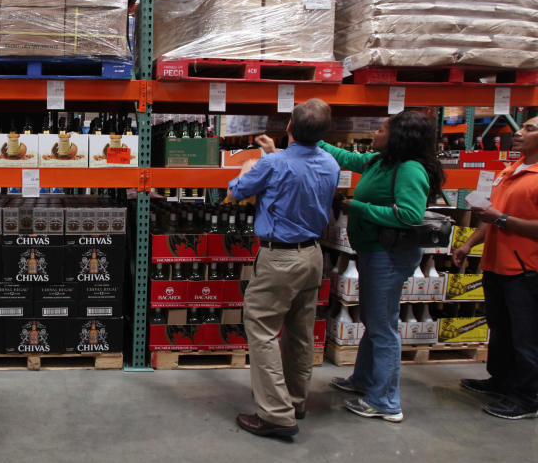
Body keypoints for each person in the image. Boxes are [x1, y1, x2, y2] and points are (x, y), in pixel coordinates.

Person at [319, 110, 444, 423]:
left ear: (399, 136)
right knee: (374, 320)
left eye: (383, 129)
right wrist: (311, 139)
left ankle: (386, 401)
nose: (376, 132)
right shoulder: (380, 161)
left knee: (383, 326)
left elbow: (409, 215)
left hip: (389, 256)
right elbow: (347, 158)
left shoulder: (410, 169)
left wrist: (356, 206)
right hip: (374, 252)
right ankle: (362, 380)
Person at [228, 98, 340, 438]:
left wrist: (248, 168)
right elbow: (298, 177)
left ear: (289, 126)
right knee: (300, 332)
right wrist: (273, 153)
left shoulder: (273, 164)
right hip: (312, 256)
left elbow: (236, 191)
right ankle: (295, 399)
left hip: (280, 259)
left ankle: (276, 415)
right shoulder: (331, 163)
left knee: (261, 329)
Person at [454, 116, 538, 419]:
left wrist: (501, 220)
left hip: (525, 270)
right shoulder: (511, 171)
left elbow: (501, 218)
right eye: (522, 126)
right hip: (495, 265)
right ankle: (501, 381)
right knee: (500, 329)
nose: (518, 132)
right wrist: (469, 244)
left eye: (529, 128)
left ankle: (527, 397)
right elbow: (493, 216)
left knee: (526, 336)